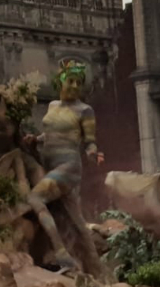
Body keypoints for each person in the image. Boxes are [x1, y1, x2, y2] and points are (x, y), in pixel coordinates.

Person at [23, 60, 104, 273]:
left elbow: (89, 141)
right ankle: (96, 269)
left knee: (35, 198)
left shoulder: (84, 110)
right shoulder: (52, 106)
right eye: (71, 81)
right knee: (76, 221)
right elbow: (51, 133)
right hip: (48, 162)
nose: (75, 86)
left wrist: (92, 153)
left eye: (79, 82)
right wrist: (36, 139)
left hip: (68, 166)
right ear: (60, 81)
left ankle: (61, 253)